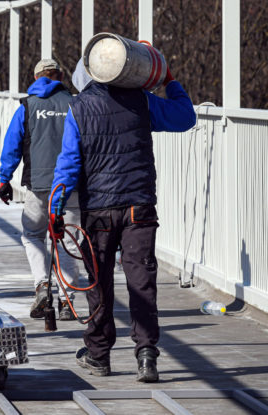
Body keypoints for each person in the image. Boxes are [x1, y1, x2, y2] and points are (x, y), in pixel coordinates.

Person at [51, 56, 196, 383]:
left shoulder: (78, 108)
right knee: (141, 280)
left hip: (98, 210)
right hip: (138, 207)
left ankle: (99, 354)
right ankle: (146, 354)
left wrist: (55, 208)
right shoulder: (141, 100)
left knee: (98, 281)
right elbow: (185, 117)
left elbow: (68, 164)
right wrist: (169, 80)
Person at [0, 58, 81, 321]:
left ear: (36, 78)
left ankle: (42, 284)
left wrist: (4, 179)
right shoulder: (76, 104)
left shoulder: (27, 106)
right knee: (68, 240)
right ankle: (67, 300)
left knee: (33, 235)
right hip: (71, 186)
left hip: (38, 185)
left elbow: (12, 145)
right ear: (60, 77)